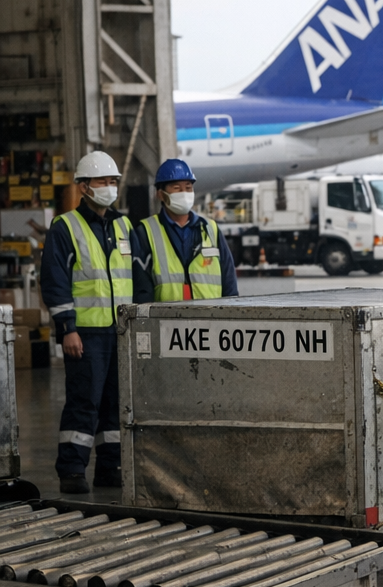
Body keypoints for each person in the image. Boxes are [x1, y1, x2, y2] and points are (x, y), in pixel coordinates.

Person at [41, 151, 139, 494]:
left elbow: (136, 279)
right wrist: (67, 328)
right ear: (84, 187)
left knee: (115, 404)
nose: (109, 188)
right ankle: (71, 469)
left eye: (113, 182)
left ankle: (110, 468)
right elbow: (54, 281)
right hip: (85, 333)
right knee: (85, 402)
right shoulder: (65, 227)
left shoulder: (124, 225)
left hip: (121, 331)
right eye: (102, 182)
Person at [133, 158, 238, 303]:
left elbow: (229, 282)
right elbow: (142, 289)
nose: (184, 193)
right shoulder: (146, 231)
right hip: (168, 322)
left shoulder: (210, 229)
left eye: (188, 188)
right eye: (176, 188)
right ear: (160, 194)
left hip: (209, 321)